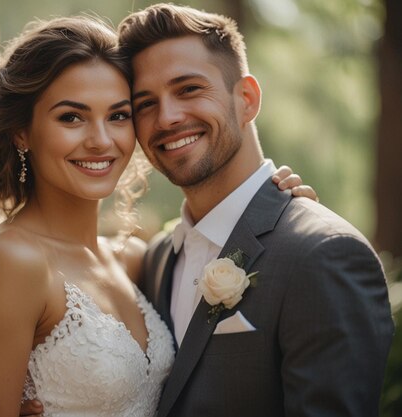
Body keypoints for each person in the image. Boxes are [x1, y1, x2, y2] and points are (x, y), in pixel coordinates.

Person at [0, 14, 317, 417]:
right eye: (71, 117)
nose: (101, 141)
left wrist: (280, 209)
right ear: (21, 132)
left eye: (118, 115)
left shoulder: (135, 260)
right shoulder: (11, 261)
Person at [118, 4, 391, 417]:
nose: (168, 117)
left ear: (246, 99)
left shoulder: (323, 254)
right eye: (145, 104)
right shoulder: (156, 261)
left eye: (189, 89)